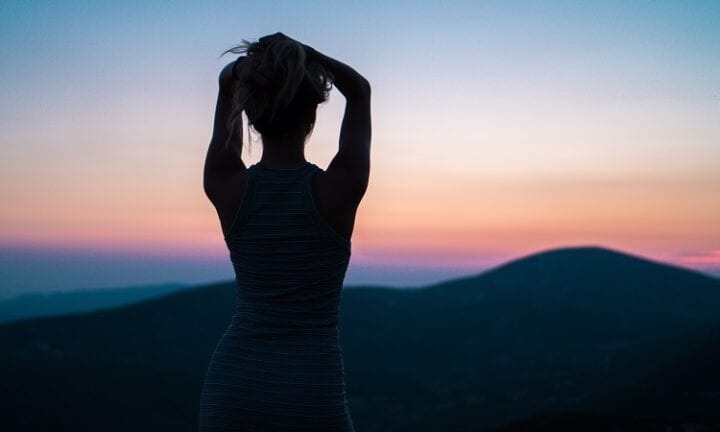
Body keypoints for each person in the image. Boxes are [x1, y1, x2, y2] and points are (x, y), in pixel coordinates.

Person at [198, 32, 371, 431]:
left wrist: (239, 75)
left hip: (233, 385)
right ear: (312, 115)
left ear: (249, 115)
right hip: (311, 389)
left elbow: (227, 85)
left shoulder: (227, 186)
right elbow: (359, 91)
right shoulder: (337, 190)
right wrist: (307, 54)